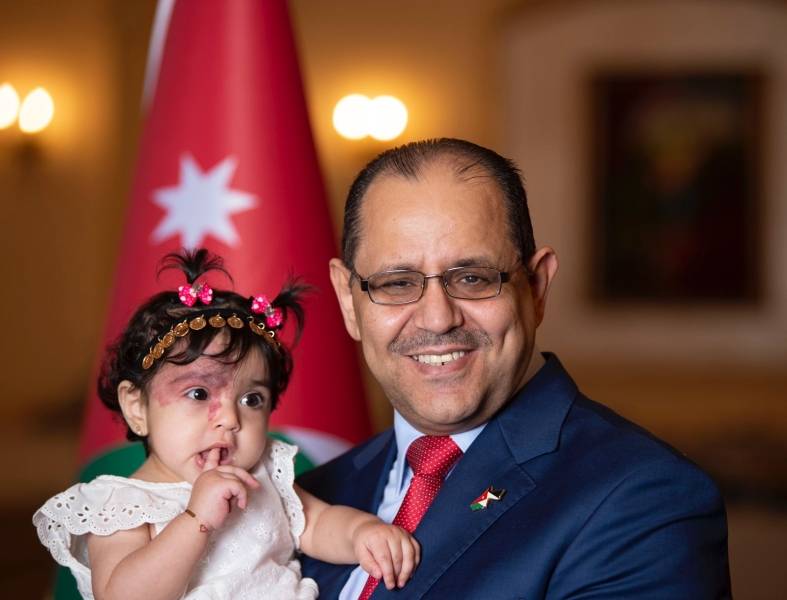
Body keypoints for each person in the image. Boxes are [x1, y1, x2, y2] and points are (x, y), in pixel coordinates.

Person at [298, 138, 731, 598]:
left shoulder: (644, 498)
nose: (438, 319)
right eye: (398, 283)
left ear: (537, 288)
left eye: (472, 278)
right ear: (348, 301)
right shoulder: (306, 495)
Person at [34, 249, 419, 600]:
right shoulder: (123, 504)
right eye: (199, 394)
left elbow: (316, 523)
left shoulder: (261, 474)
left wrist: (361, 533)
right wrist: (196, 519)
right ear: (137, 407)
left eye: (252, 400)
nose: (231, 419)